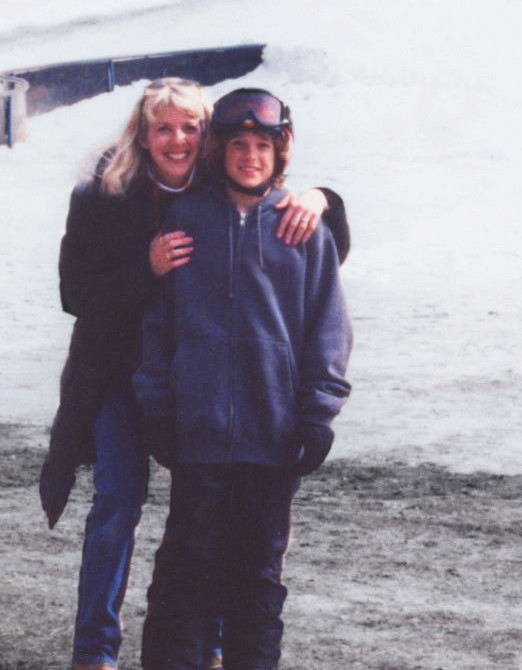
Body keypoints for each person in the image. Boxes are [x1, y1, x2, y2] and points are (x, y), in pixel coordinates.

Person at [41, 78, 349, 670]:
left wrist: (323, 198)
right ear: (144, 133)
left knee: (236, 550)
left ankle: (213, 650)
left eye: (190, 127)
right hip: (128, 378)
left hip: (235, 401)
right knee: (121, 506)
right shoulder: (110, 194)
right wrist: (147, 268)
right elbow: (77, 292)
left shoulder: (233, 190)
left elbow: (314, 266)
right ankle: (95, 651)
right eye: (164, 127)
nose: (178, 139)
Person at [135, 88, 352, 670]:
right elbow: (159, 324)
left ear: (280, 154)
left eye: (263, 145)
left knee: (257, 580)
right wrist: (157, 407)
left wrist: (317, 415)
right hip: (199, 434)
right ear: (218, 151)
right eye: (237, 144)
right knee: (185, 575)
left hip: (273, 436)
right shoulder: (187, 219)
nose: (249, 156)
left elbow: (328, 329)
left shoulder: (302, 228)